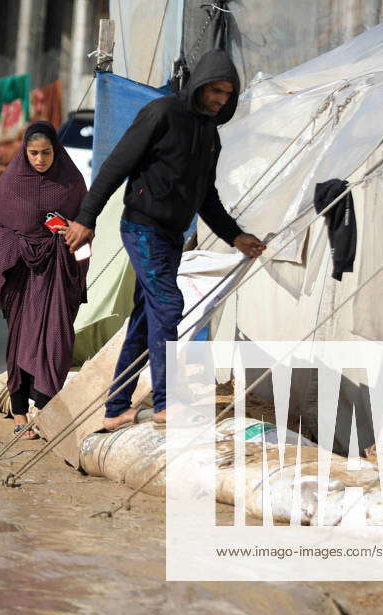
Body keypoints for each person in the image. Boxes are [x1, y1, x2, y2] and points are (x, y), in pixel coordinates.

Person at [63, 49, 267, 430]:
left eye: (227, 94)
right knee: (169, 306)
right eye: (215, 91)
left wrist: (236, 235)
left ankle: (115, 409)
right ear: (200, 85)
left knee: (146, 318)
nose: (220, 100)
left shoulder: (210, 136)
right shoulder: (161, 114)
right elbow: (116, 165)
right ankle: (165, 402)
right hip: (142, 227)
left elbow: (206, 196)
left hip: (171, 235)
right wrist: (86, 218)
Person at [0, 122, 88, 439]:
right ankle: (19, 416)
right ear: (25, 152)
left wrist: (71, 229)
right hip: (21, 274)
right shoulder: (13, 181)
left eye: (46, 153)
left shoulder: (70, 182)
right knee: (21, 342)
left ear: (56, 151)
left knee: (56, 340)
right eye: (34, 153)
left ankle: (44, 410)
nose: (40, 159)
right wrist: (15, 242)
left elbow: (87, 225)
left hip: (56, 272)